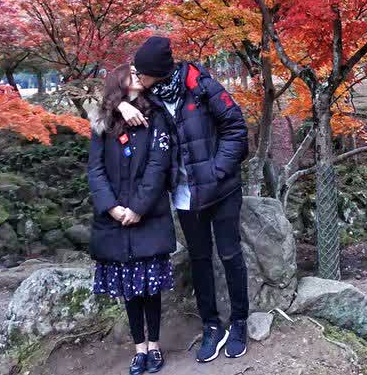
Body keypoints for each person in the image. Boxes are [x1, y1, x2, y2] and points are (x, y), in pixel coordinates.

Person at [118, 36, 250, 362]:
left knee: (231, 254)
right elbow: (102, 99)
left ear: (159, 71)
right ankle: (211, 325)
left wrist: (217, 170)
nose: (137, 77)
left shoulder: (201, 86)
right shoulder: (148, 99)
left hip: (222, 190)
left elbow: (236, 128)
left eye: (142, 72)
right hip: (184, 196)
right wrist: (119, 104)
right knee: (200, 259)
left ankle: (239, 322)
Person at [88, 64, 176, 375]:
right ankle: (139, 349)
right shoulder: (104, 119)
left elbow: (158, 166)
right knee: (130, 288)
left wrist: (138, 207)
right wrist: (112, 208)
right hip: (115, 219)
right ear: (120, 80)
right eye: (132, 72)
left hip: (148, 215)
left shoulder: (157, 116)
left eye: (141, 73)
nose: (137, 75)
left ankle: (155, 346)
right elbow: (95, 169)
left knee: (150, 287)